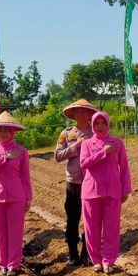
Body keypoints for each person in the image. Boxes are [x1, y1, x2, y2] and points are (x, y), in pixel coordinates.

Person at [79, 112, 131, 275]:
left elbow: (124, 168)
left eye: (103, 123)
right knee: (92, 228)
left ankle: (109, 260)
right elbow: (84, 163)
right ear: (92, 126)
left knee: (111, 228)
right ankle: (96, 260)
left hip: (112, 191)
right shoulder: (87, 144)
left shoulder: (117, 143)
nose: (100, 127)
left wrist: (125, 189)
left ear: (108, 124)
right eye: (96, 124)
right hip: (91, 191)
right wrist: (103, 152)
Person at [0, 112, 31, 276]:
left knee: (15, 233)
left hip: (16, 196)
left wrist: (28, 197)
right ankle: (2, 263)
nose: (3, 133)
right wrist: (6, 158)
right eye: (0, 130)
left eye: (6, 130)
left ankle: (13, 264)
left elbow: (25, 175)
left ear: (13, 132)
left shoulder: (21, 151)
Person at [54, 99, 97, 266]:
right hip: (73, 181)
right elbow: (58, 156)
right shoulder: (66, 133)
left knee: (91, 217)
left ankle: (87, 252)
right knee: (72, 217)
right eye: (77, 111)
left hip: (92, 180)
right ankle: (72, 251)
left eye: (83, 111)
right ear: (73, 115)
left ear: (89, 114)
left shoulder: (96, 132)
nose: (80, 114)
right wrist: (76, 146)